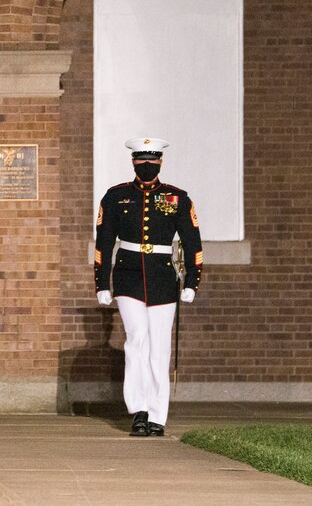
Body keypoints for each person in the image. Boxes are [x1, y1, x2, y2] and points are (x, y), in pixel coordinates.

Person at [94, 137, 202, 437]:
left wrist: (192, 281)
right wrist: (102, 282)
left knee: (159, 348)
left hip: (163, 278)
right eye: (141, 162)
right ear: (133, 163)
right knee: (136, 341)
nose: (146, 167)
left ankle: (157, 415)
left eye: (151, 162)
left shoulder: (177, 198)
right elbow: (103, 242)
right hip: (128, 276)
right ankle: (139, 410)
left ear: (160, 163)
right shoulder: (115, 197)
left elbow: (193, 243)